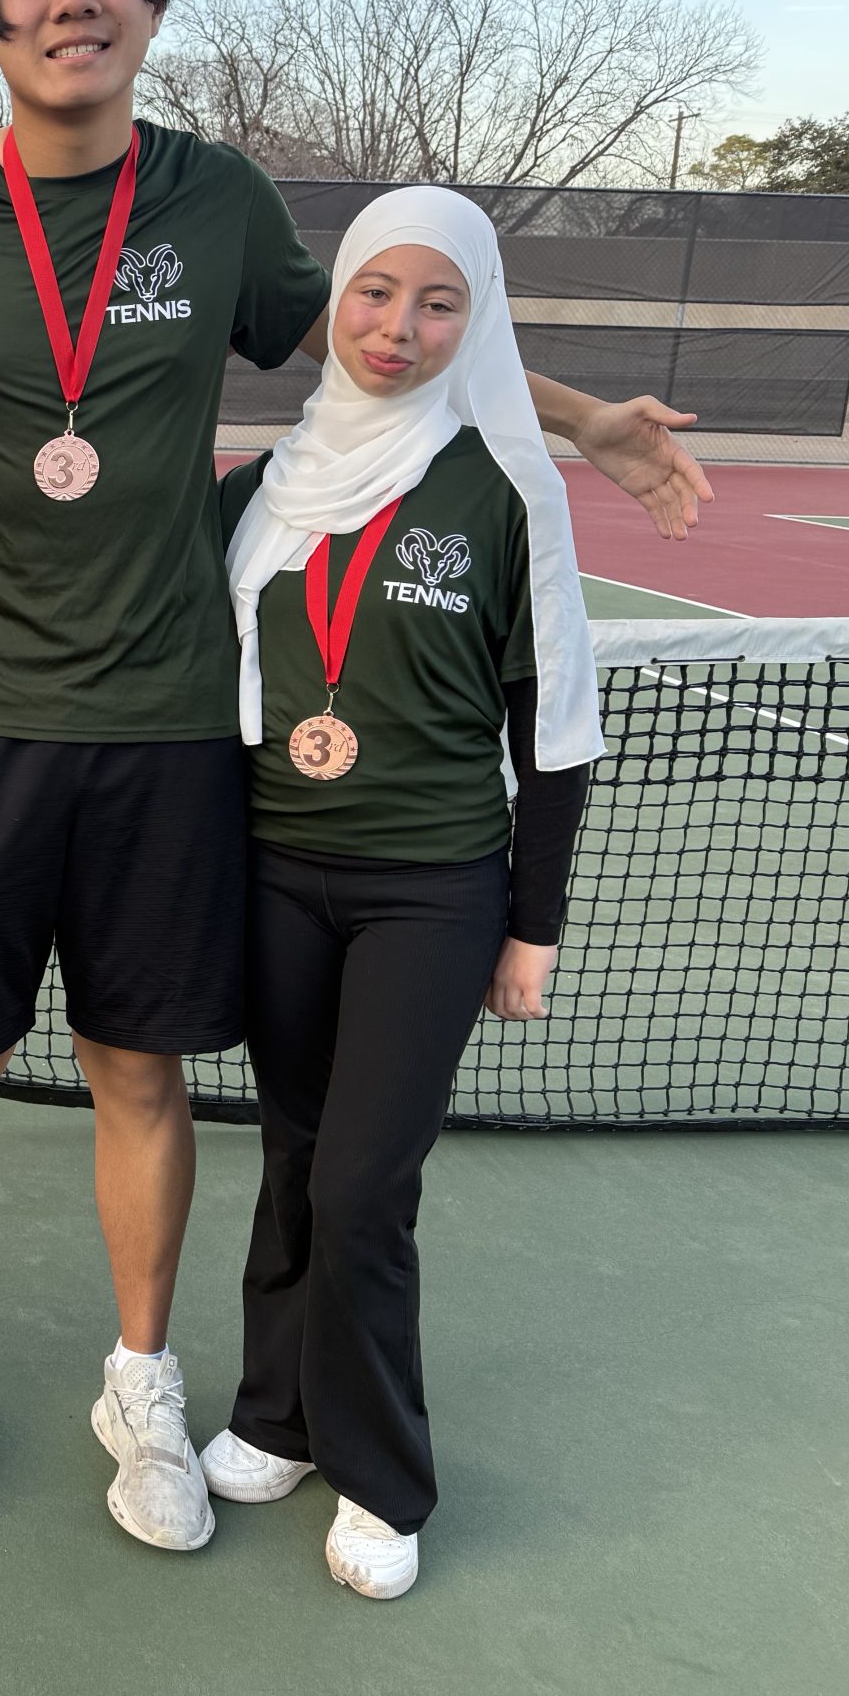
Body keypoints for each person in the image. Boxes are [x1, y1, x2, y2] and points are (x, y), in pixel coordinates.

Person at [0, 0, 708, 1542]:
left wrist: (583, 422)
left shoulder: (219, 201)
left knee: (139, 1076)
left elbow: (398, 333)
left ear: (152, 5)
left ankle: (145, 1387)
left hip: (167, 737)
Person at [203, 186, 600, 1600]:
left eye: (441, 304)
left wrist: (531, 924)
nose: (401, 328)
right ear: (339, 302)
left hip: (430, 895)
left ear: (476, 319)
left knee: (369, 1183)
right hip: (272, 879)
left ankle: (381, 1477)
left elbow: (552, 727)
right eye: (378, 294)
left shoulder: (505, 489)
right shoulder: (258, 490)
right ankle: (278, 1417)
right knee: (299, 1157)